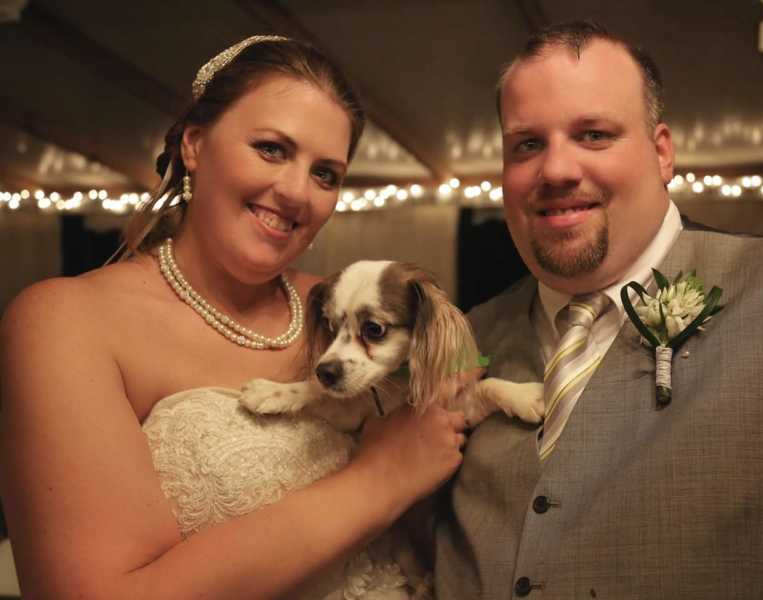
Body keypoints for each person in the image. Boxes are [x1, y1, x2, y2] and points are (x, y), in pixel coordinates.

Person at [434, 20, 763, 599]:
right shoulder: (461, 340)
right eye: (527, 144)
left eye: (595, 135)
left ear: (661, 153)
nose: (555, 170)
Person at [0, 36, 468, 600]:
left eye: (326, 174)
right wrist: (380, 480)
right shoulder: (67, 321)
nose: (297, 192)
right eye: (272, 149)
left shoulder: (337, 308)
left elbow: (466, 370)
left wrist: (466, 377)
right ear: (195, 144)